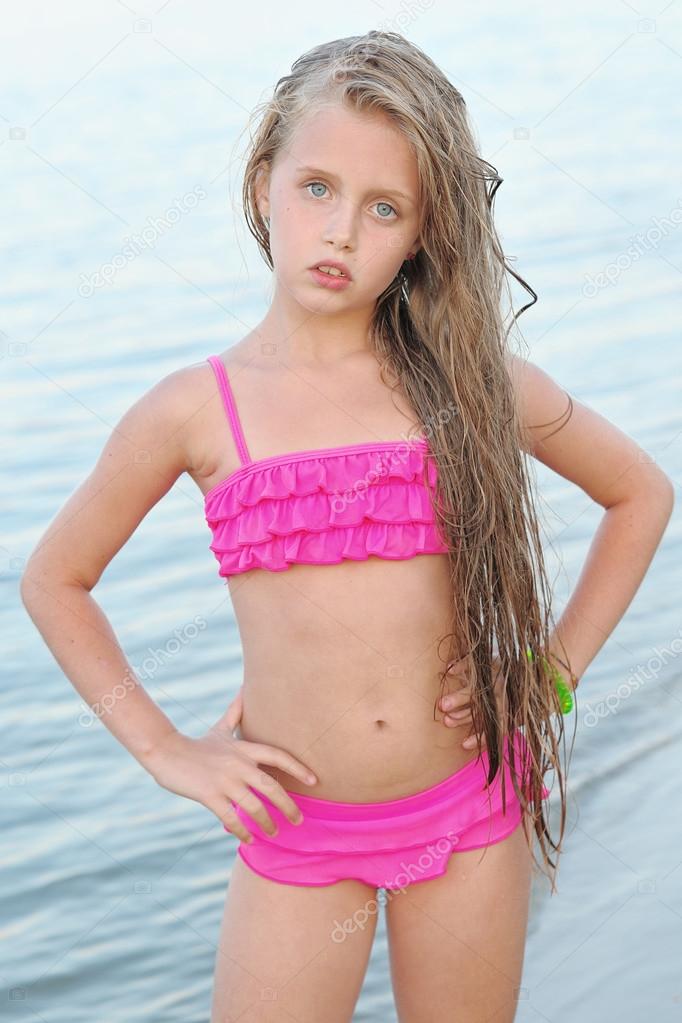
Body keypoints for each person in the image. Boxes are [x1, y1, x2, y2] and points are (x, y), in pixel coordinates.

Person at [20, 30, 674, 1023]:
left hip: (470, 808)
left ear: (421, 232)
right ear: (261, 186)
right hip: (298, 830)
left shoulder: (469, 383)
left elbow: (639, 493)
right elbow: (55, 579)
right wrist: (165, 751)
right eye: (315, 187)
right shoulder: (196, 410)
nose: (339, 233)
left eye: (383, 209)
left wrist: (553, 672)